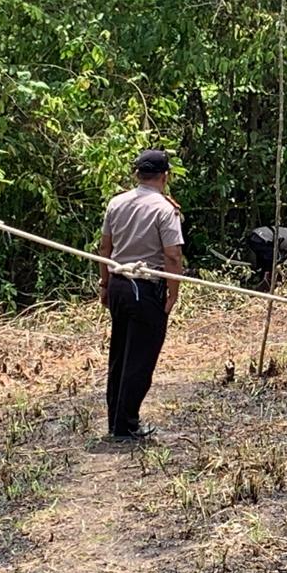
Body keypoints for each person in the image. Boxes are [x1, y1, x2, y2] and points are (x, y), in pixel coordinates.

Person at [98, 149, 184, 441]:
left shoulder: (116, 202)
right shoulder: (165, 209)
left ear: (137, 174)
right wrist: (173, 292)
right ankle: (126, 425)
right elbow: (172, 256)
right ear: (165, 176)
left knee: (120, 354)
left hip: (119, 284)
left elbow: (105, 248)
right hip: (145, 287)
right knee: (140, 358)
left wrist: (105, 284)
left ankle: (116, 421)